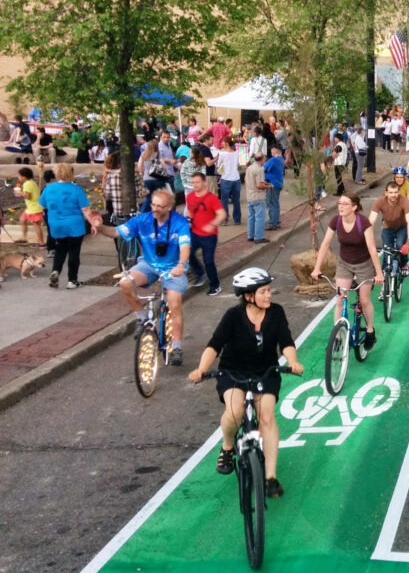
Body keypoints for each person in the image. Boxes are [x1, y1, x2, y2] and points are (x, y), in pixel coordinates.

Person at [188, 268, 304, 498]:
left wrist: (293, 362)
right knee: (234, 412)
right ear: (248, 296)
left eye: (269, 291)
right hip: (233, 372)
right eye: (263, 291)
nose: (269, 295)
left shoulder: (276, 313)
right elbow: (215, 344)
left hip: (265, 372)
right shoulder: (233, 316)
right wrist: (201, 369)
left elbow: (286, 341)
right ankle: (228, 446)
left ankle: (270, 478)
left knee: (267, 417)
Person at [87, 187, 190, 365]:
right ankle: (141, 318)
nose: (155, 209)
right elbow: (116, 232)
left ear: (169, 208)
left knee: (174, 304)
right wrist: (100, 226)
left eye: (160, 206)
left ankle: (177, 347)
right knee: (125, 283)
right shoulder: (142, 220)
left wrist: (181, 265)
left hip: (173, 268)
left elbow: (185, 246)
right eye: (153, 205)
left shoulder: (180, 223)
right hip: (148, 264)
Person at [310, 193, 385, 349]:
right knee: (340, 299)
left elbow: (372, 249)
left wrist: (379, 273)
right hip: (344, 264)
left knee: (364, 301)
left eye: (345, 204)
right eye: (340, 203)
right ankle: (336, 337)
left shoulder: (363, 223)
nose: (341, 206)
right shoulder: (336, 221)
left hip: (364, 265)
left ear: (354, 207)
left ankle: (370, 330)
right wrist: (317, 268)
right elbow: (325, 244)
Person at [40, 164, 95, 288]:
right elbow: (85, 209)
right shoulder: (76, 189)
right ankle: (72, 280)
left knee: (60, 250)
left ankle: (55, 271)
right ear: (71, 174)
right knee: (74, 252)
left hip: (56, 224)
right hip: (74, 224)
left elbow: (43, 206)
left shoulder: (48, 189)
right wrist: (93, 224)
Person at [185, 173, 227, 296]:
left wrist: (211, 224)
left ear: (204, 182)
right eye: (193, 182)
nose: (195, 185)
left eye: (197, 182)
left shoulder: (212, 198)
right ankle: (199, 272)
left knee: (208, 261)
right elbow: (189, 211)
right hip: (195, 232)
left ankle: (215, 285)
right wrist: (188, 218)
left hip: (209, 236)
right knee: (187, 253)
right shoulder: (190, 196)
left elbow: (222, 214)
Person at [369, 180, 409, 276]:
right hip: (387, 228)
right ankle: (385, 283)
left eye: (395, 192)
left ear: (399, 192)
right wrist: (367, 238)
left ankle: (404, 264)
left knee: (400, 246)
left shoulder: (404, 201)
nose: (393, 195)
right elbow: (371, 221)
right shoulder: (380, 201)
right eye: (390, 192)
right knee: (386, 250)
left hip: (401, 227)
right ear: (386, 193)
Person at [14, 167, 45, 246]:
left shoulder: (27, 184)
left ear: (24, 177)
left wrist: (19, 193)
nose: (18, 178)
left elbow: (28, 196)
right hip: (31, 207)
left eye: (19, 176)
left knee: (36, 225)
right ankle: (24, 238)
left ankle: (41, 243)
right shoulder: (31, 182)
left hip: (34, 208)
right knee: (22, 220)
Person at [245, 152, 270, 243]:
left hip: (250, 195)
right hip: (258, 196)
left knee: (251, 217)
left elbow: (251, 181)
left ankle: (250, 235)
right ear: (262, 159)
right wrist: (268, 186)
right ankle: (258, 237)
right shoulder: (259, 170)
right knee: (260, 217)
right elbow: (259, 185)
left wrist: (264, 184)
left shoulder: (249, 168)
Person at [216, 136, 242, 225]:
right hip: (236, 178)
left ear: (226, 143)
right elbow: (238, 165)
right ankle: (237, 219)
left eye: (223, 142)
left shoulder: (222, 153)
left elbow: (218, 165)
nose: (222, 144)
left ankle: (224, 219)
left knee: (224, 200)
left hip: (226, 178)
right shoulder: (236, 153)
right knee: (236, 200)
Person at [264, 145, 285, 230]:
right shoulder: (281, 159)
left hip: (272, 183)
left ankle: (272, 222)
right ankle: (276, 221)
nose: (271, 151)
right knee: (275, 203)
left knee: (271, 203)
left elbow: (264, 168)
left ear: (277, 150)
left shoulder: (274, 159)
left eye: (272, 149)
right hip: (278, 183)